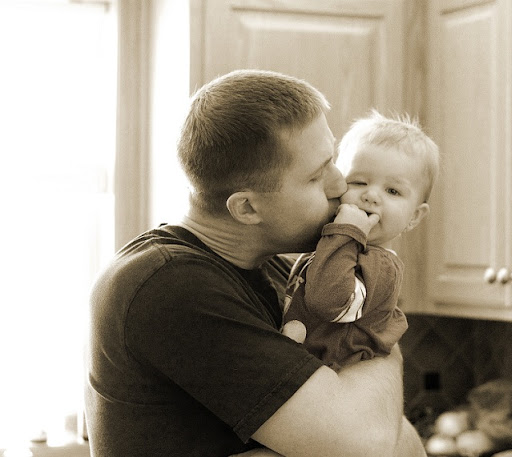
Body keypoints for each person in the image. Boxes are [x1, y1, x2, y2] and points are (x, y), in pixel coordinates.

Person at [85, 69, 426, 457]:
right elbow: (367, 445)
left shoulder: (278, 270)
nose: (341, 185)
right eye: (317, 177)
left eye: (333, 160)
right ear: (247, 208)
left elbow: (397, 437)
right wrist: (378, 323)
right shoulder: (170, 286)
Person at [282, 111, 439, 370]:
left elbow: (327, 302)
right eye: (358, 182)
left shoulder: (380, 267)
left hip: (334, 378)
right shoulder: (336, 245)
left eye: (393, 191)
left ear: (414, 216)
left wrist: (345, 233)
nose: (371, 196)